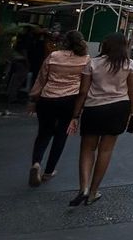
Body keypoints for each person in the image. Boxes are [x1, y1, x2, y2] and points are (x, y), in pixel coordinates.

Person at [67, 33, 133, 206]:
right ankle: (93, 192)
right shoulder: (129, 64)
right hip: (119, 108)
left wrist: (75, 115)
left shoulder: (92, 63)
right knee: (105, 151)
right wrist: (132, 112)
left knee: (87, 149)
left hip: (94, 108)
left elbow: (83, 91)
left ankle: (82, 187)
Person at [27, 30, 90, 186]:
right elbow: (86, 84)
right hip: (70, 99)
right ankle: (49, 171)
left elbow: (41, 78)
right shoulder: (85, 60)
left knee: (43, 133)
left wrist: (33, 98)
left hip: (47, 98)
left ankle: (36, 163)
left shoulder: (54, 56)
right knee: (61, 135)